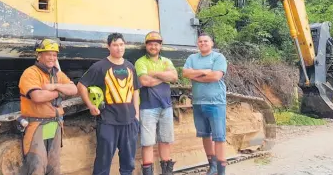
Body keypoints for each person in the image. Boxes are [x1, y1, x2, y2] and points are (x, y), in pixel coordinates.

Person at [77, 33, 141, 175]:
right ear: (108, 47)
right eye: (115, 45)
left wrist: (137, 113)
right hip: (108, 122)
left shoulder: (130, 66)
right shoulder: (100, 66)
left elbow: (135, 90)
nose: (119, 48)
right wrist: (90, 105)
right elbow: (81, 85)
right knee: (103, 163)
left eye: (121, 44)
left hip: (130, 122)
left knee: (128, 164)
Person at [19, 38, 78, 175]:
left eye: (54, 55)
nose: (52, 58)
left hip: (54, 124)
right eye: (48, 54)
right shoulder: (30, 73)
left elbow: (74, 89)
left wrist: (55, 87)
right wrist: (59, 93)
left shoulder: (57, 74)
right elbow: (37, 97)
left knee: (53, 165)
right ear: (39, 55)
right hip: (37, 125)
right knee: (37, 165)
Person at [182, 33, 228, 175]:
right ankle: (212, 166)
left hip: (216, 103)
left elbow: (216, 76)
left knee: (219, 137)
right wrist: (203, 72)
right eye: (200, 41)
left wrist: (196, 76)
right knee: (205, 135)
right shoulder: (192, 58)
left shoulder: (218, 58)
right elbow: (185, 73)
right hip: (198, 103)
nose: (203, 43)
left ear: (212, 43)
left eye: (206, 41)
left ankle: (221, 170)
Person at [135, 31, 178, 175]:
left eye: (156, 44)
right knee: (147, 143)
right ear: (146, 46)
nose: (153, 47)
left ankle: (167, 172)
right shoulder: (140, 62)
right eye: (151, 44)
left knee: (165, 140)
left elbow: (174, 76)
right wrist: (164, 76)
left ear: (160, 46)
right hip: (147, 107)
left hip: (166, 106)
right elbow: (144, 81)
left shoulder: (166, 61)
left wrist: (154, 74)